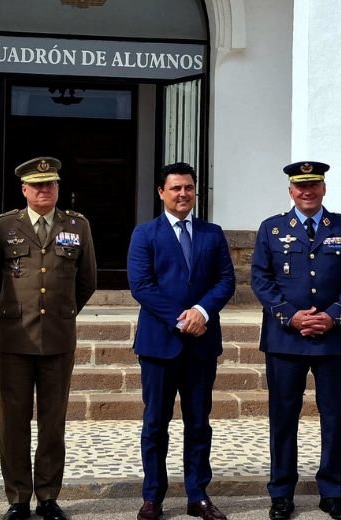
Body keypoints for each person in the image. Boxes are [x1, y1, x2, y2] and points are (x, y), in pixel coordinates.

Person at [250, 161, 341, 520]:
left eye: (314, 185)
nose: (307, 191)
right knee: (283, 418)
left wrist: (333, 315)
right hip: (286, 339)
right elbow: (260, 278)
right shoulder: (272, 229)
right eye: (300, 186)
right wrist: (291, 314)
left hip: (333, 339)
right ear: (290, 191)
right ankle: (281, 493)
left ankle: (333, 493)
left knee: (335, 418)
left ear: (324, 188)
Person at [127, 162, 236, 520]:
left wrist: (201, 312)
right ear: (161, 192)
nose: (183, 194)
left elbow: (225, 281)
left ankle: (197, 495)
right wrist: (182, 318)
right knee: (155, 423)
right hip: (160, 343)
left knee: (199, 422)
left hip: (202, 343)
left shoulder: (212, 233)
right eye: (175, 188)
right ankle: (152, 497)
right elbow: (141, 285)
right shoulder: (145, 234)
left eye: (189, 188)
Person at [0, 157, 97, 520]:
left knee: (53, 421)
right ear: (24, 189)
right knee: (14, 421)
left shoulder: (77, 226)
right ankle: (18, 498)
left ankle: (48, 496)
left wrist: (62, 311)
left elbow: (87, 281)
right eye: (37, 185)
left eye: (50, 184)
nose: (44, 190)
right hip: (15, 338)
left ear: (57, 187)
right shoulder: (4, 226)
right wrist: (16, 310)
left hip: (57, 337)